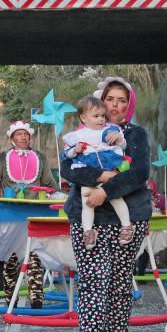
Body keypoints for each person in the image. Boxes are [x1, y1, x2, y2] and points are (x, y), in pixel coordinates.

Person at [63, 76, 152, 332]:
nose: (115, 106)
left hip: (129, 219)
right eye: (110, 99)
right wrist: (99, 181)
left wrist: (107, 193)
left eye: (122, 100)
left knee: (118, 283)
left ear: (129, 105)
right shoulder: (82, 133)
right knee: (92, 280)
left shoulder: (134, 135)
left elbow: (138, 172)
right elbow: (67, 168)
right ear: (100, 101)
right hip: (89, 216)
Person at [0, 120, 60, 307]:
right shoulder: (1, 159)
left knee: (35, 255)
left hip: (33, 216)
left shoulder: (40, 158)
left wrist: (60, 196)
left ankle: (37, 299)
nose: (24, 137)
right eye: (19, 134)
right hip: (11, 216)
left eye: (26, 134)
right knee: (11, 259)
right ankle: (10, 299)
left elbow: (51, 185)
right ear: (12, 138)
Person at [62, 96, 133, 249]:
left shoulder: (109, 130)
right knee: (86, 199)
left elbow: (124, 144)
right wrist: (75, 150)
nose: (101, 119)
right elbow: (67, 154)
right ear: (83, 117)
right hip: (89, 176)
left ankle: (126, 226)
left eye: (102, 115)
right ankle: (88, 231)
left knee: (116, 197)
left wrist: (119, 139)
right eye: (96, 116)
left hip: (109, 170)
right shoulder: (77, 136)